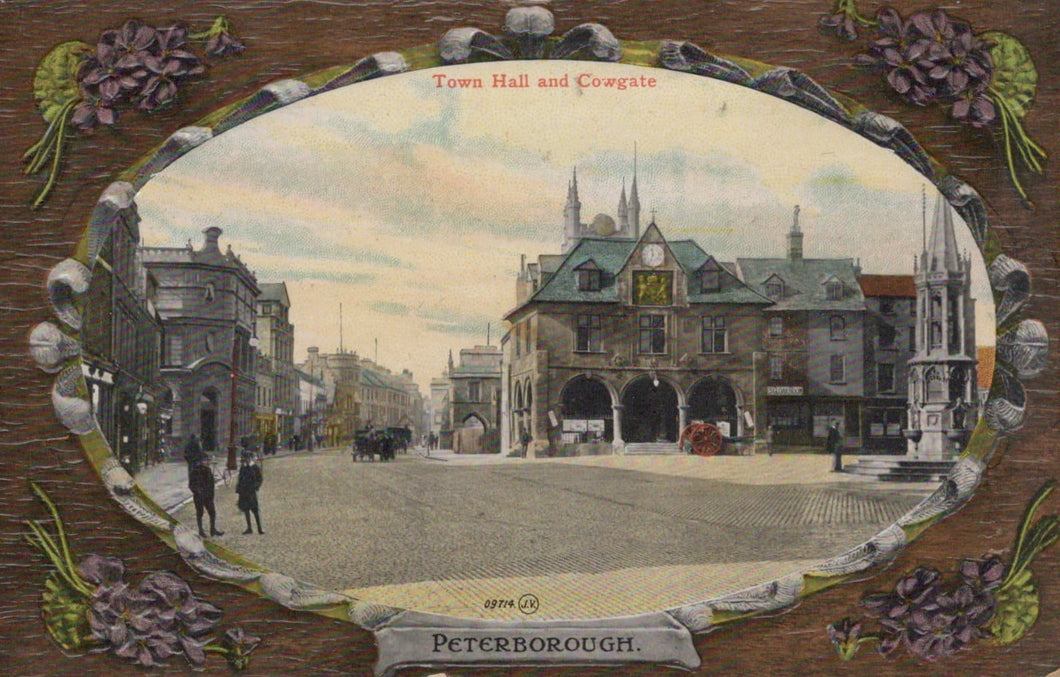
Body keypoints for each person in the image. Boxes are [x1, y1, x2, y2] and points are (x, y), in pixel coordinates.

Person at [188, 457, 223, 537]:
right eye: (206, 461)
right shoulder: (196, 471)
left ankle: (212, 530)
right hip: (200, 496)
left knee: (211, 513)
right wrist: (198, 492)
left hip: (206, 496)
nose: (207, 462)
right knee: (201, 513)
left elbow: (211, 484)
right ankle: (202, 530)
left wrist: (211, 495)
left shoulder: (206, 470)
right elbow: (191, 485)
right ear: (201, 462)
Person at [236, 450, 264, 535]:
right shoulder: (243, 468)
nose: (247, 460)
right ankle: (249, 528)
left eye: (248, 458)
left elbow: (260, 478)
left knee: (255, 509)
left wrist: (256, 486)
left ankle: (259, 528)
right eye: (245, 458)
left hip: (251, 491)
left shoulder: (255, 467)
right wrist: (238, 489)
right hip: (244, 491)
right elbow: (240, 479)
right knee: (246, 509)